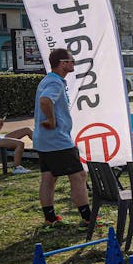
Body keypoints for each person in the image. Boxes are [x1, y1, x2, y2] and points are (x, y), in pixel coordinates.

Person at [33, 48, 91, 229]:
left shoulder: (48, 80)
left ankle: (50, 218)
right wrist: (51, 120)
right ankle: (88, 217)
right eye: (72, 61)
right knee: (79, 175)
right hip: (57, 140)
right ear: (63, 63)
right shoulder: (55, 83)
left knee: (49, 177)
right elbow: (45, 101)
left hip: (44, 140)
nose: (74, 64)